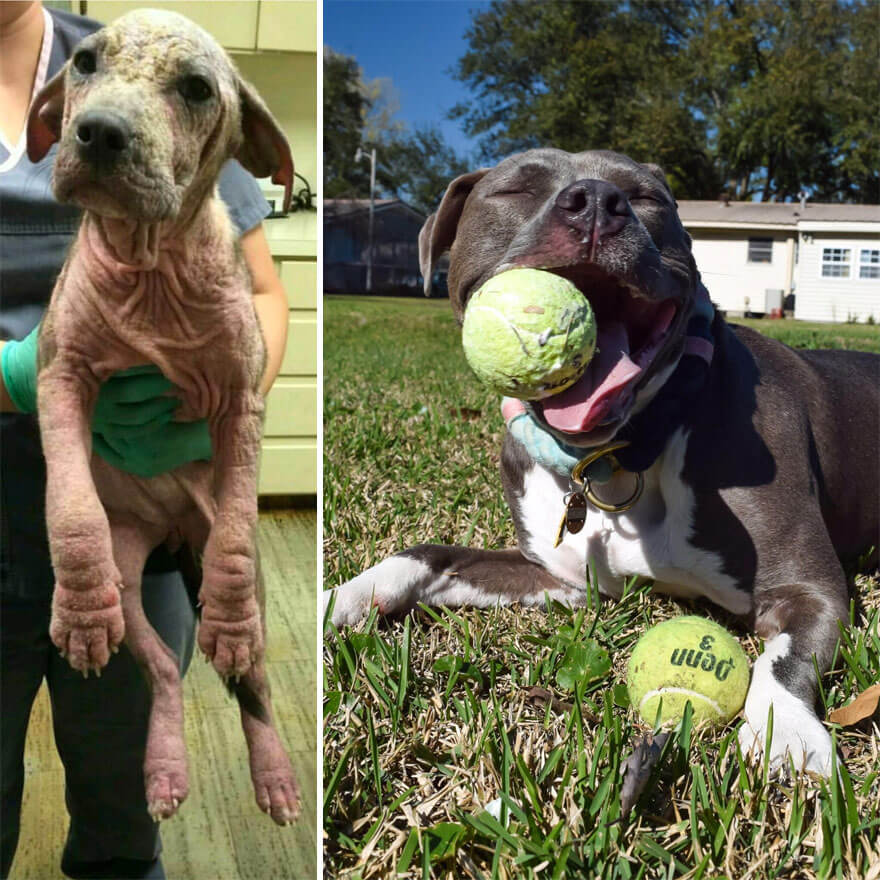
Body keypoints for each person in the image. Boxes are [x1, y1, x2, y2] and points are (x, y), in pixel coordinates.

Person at [0, 3, 289, 878]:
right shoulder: (97, 68)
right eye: (83, 92)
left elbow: (265, 297)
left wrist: (220, 397)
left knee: (125, 822)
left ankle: (258, 729)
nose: (102, 113)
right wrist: (20, 374)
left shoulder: (120, 48)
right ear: (56, 115)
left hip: (146, 501)